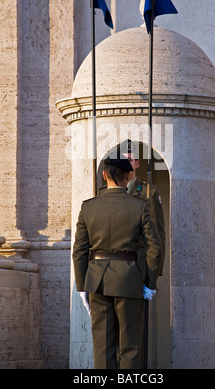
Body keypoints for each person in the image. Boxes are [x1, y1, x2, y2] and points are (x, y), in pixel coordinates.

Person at [73, 152, 161, 369]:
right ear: (129, 176)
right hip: (129, 279)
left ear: (104, 175)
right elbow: (154, 247)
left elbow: (80, 250)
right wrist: (149, 282)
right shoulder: (140, 205)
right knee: (130, 346)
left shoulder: (88, 207)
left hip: (97, 281)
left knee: (102, 346)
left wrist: (83, 285)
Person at [121, 139, 166, 276]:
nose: (125, 164)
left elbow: (158, 233)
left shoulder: (149, 192)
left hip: (140, 266)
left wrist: (154, 272)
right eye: (122, 160)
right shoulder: (110, 192)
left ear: (137, 163)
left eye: (129, 160)